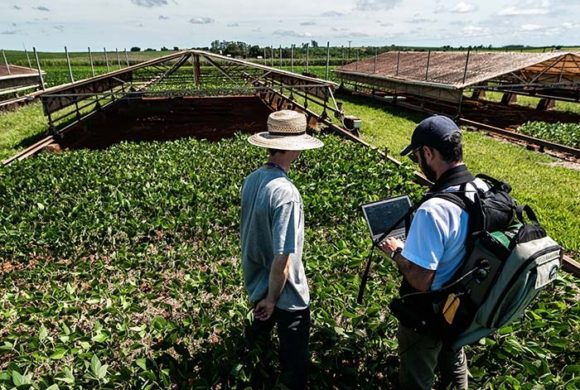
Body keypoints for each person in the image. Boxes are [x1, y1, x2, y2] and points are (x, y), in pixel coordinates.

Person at [379, 115, 488, 390]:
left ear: (428, 153)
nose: (419, 163)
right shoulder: (482, 189)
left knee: (418, 381)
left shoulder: (434, 209)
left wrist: (395, 253)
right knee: (454, 364)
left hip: (428, 316)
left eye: (417, 157)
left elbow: (421, 279)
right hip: (463, 306)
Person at [240, 109, 323, 389]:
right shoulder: (286, 194)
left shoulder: (252, 179)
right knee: (294, 369)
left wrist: (264, 295)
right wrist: (273, 300)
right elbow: (283, 260)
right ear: (296, 149)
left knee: (256, 356)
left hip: (257, 285)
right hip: (285, 297)